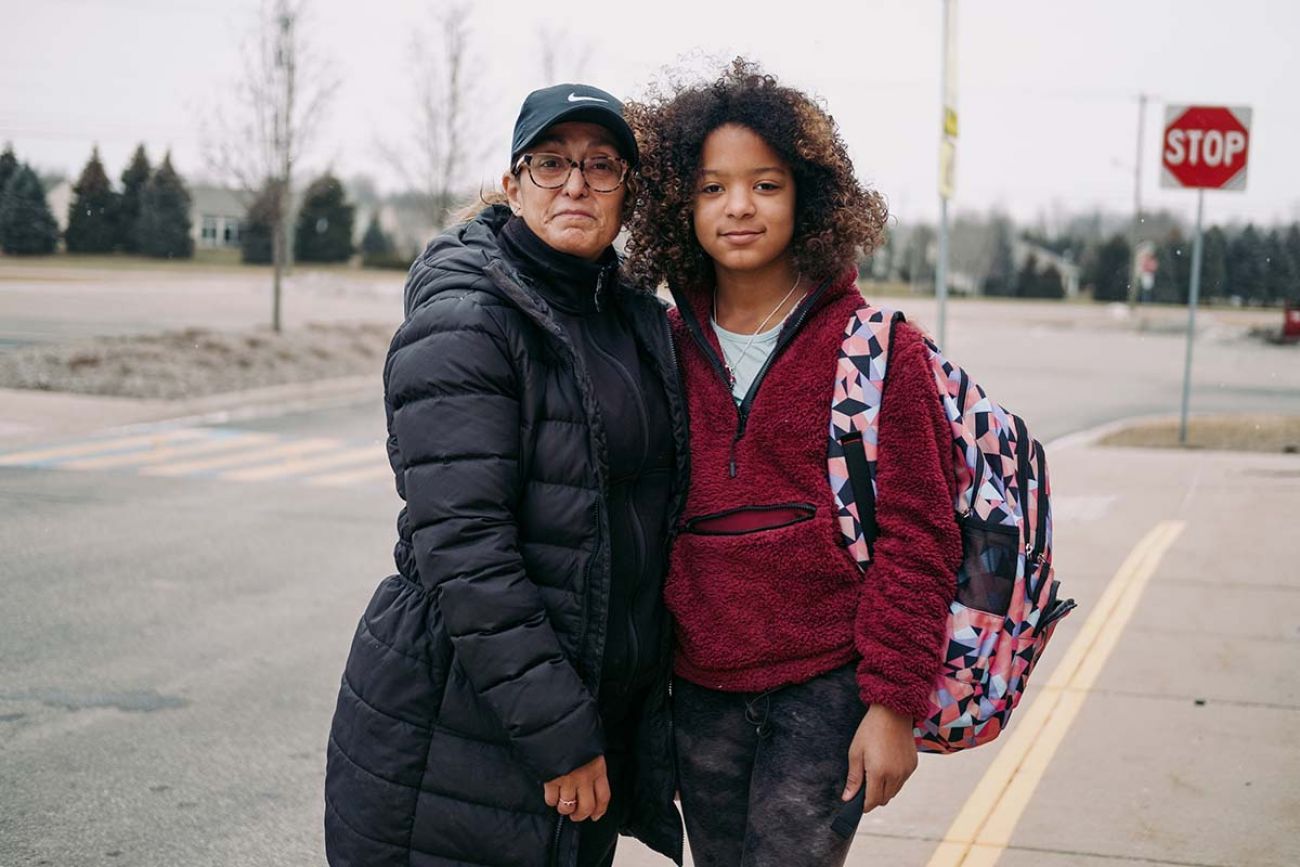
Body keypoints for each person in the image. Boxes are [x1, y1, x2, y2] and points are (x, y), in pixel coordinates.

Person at [324, 83, 688, 867]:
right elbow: (464, 548)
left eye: (601, 165)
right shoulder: (467, 316)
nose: (576, 184)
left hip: (580, 726)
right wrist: (560, 733)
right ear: (514, 181)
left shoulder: (631, 318)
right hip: (462, 728)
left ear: (628, 191)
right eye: (551, 162)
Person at [624, 60, 964, 866]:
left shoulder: (880, 348)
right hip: (699, 686)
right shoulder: (660, 345)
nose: (738, 206)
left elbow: (921, 537)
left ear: (808, 196)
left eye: (765, 185)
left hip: (827, 685)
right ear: (682, 205)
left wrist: (892, 703)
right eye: (712, 188)